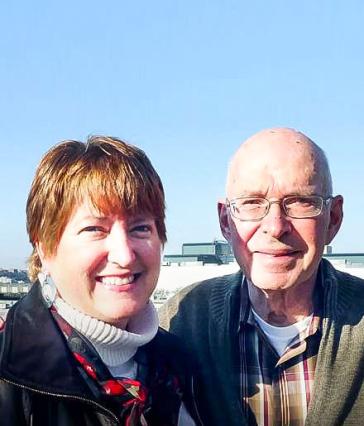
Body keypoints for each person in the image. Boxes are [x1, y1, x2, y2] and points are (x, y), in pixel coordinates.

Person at [159, 128, 364, 425]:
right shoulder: (183, 320)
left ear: (333, 218)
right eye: (252, 203)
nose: (275, 225)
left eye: (300, 202)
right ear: (225, 222)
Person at [0, 136, 199, 426]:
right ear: (44, 248)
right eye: (95, 228)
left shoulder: (179, 363)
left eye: (140, 228)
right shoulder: (9, 377)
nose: (125, 255)